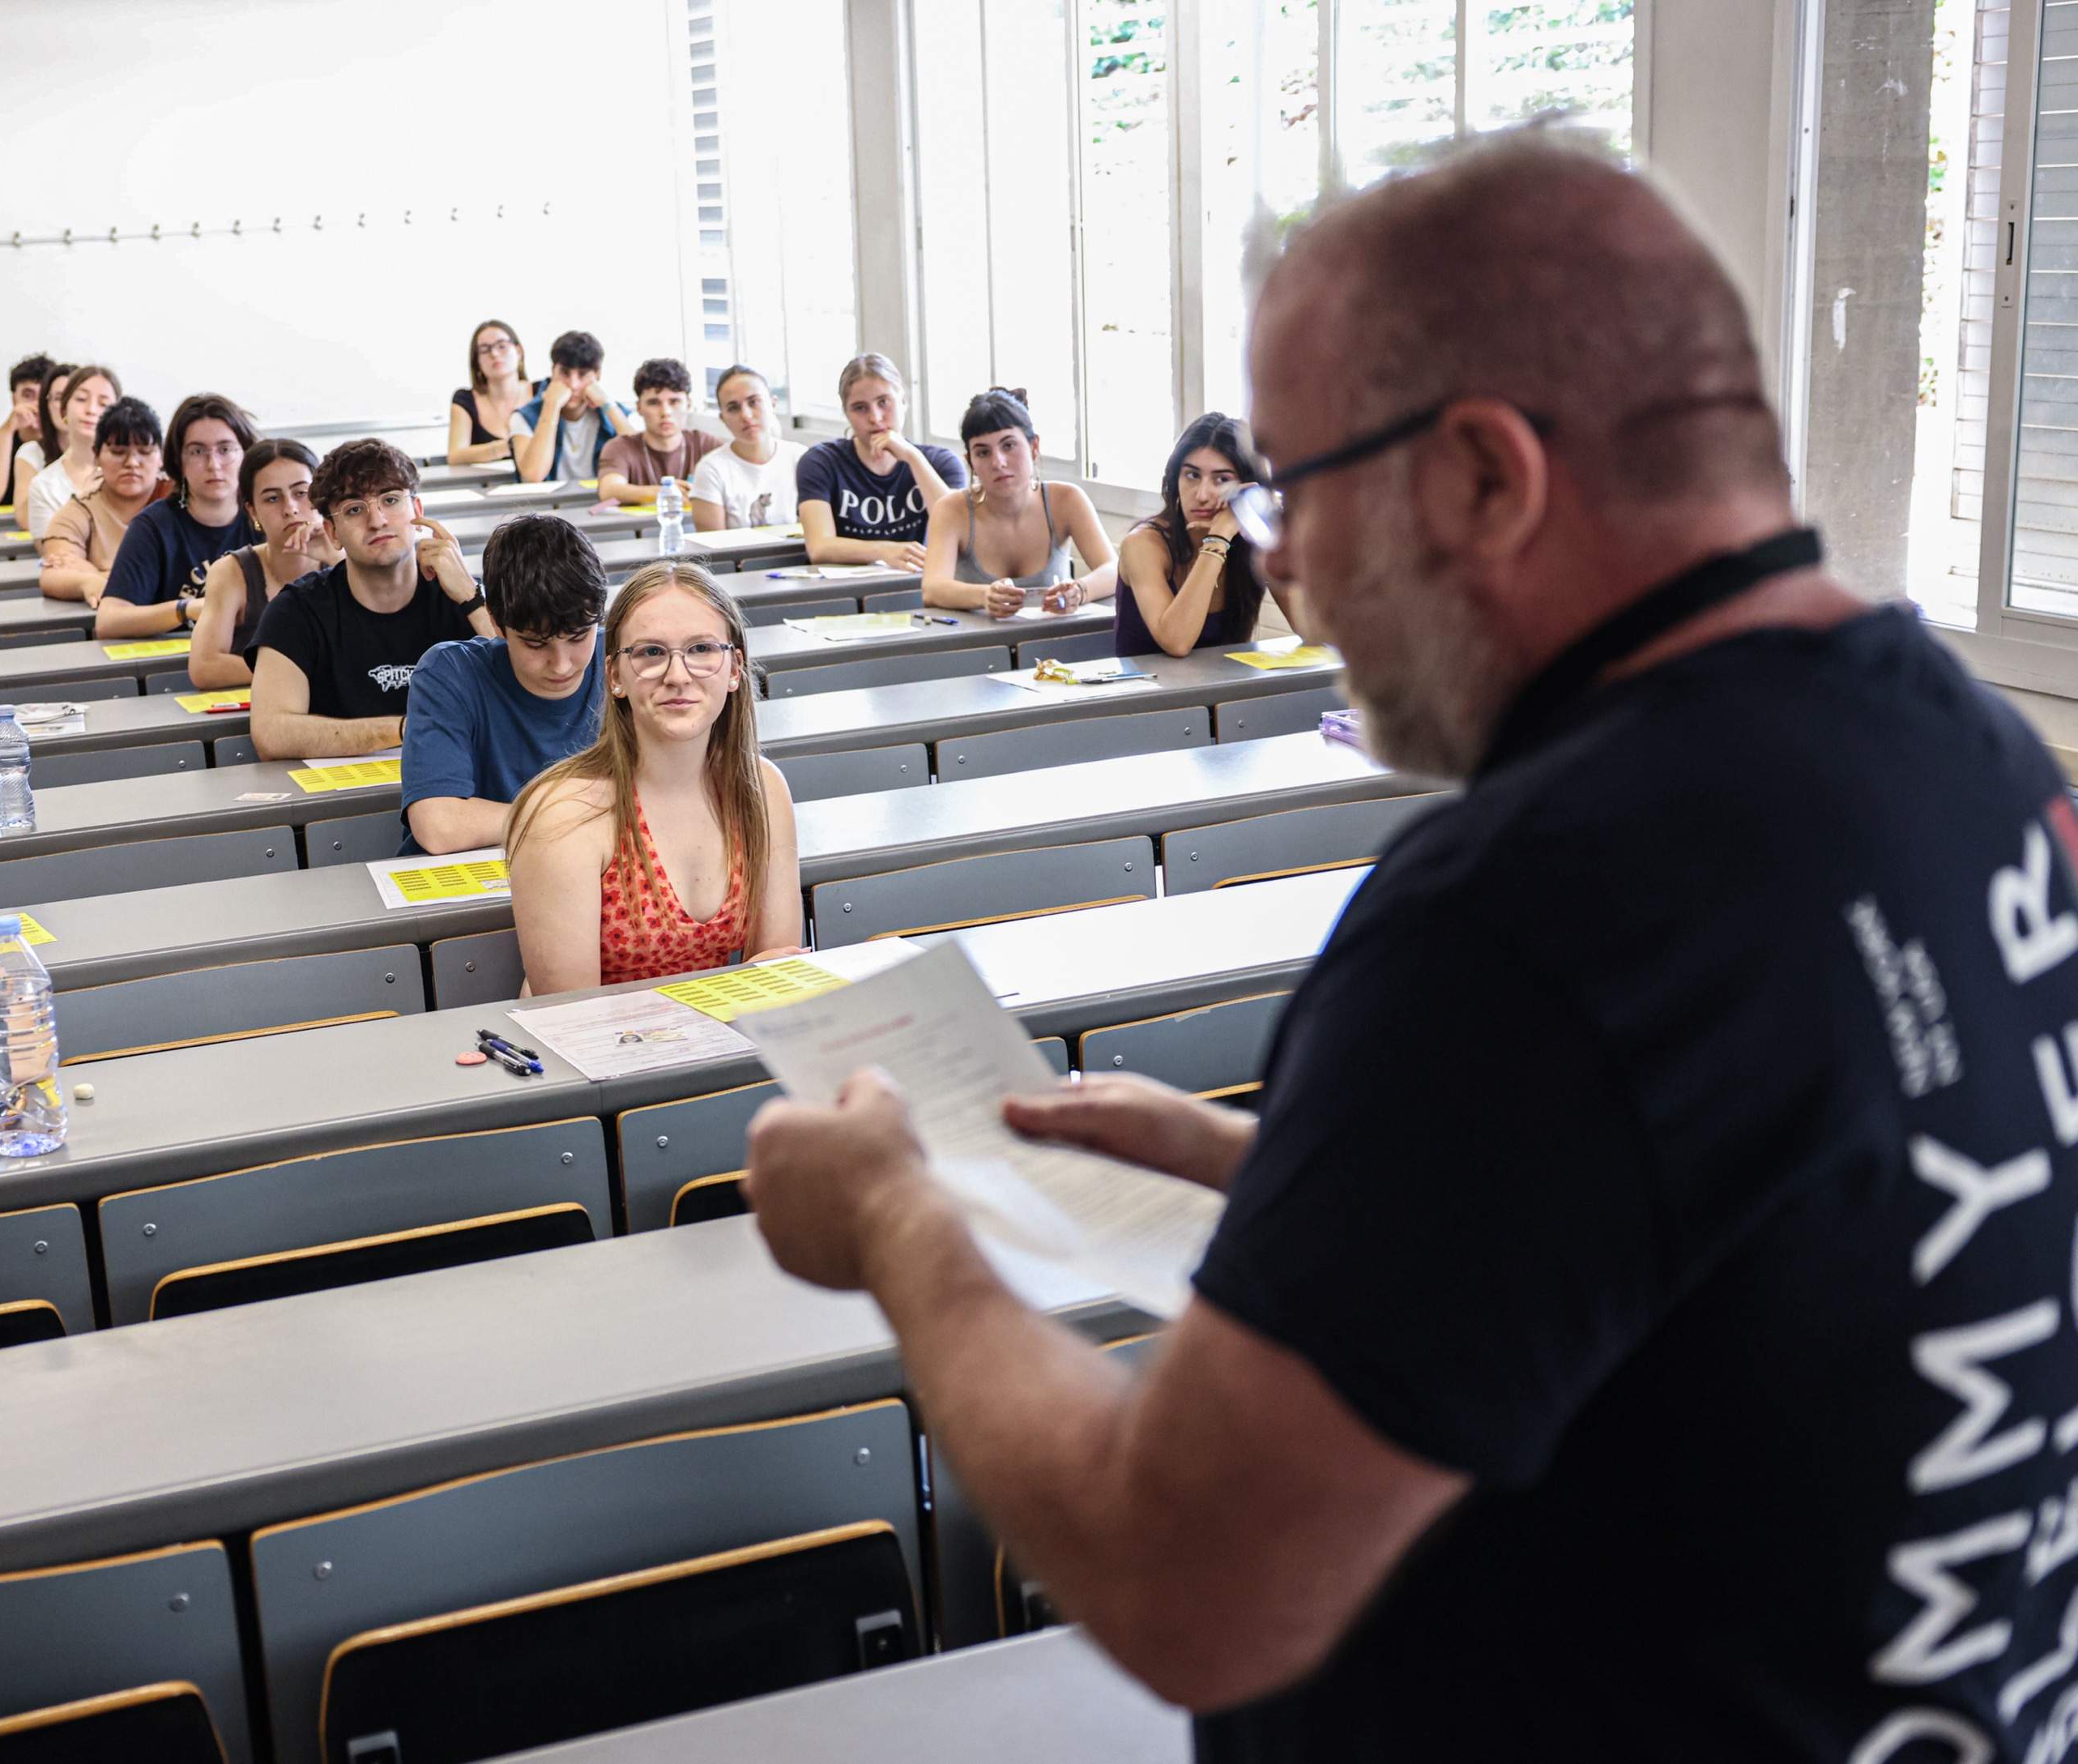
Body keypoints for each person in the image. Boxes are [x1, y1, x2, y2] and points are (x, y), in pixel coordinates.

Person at [740, 133, 2078, 1761]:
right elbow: (1768, 1220)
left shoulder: (1539, 908)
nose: (1277, 551)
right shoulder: (1963, 749)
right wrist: (1278, 1165)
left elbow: (1188, 1578)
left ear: (1482, 474)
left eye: (1301, 475)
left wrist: (896, 1222)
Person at [506, 561, 800, 993]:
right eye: (650, 653)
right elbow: (571, 1020)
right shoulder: (566, 815)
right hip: (604, 1054)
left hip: (723, 1045)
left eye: (701, 649)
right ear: (615, 676)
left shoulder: (762, 788)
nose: (677, 676)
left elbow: (779, 978)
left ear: (735, 669)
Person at [247, 440, 495, 758]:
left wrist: (470, 598)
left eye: (390, 500)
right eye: (354, 510)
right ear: (333, 532)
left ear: (417, 512)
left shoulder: (463, 595)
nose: (377, 520)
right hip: (345, 800)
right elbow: (272, 734)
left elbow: (526, 693)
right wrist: (409, 729)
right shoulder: (296, 609)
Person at [398, 514, 607, 855]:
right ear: (495, 622)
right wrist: (587, 815)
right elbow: (439, 826)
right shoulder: (448, 673)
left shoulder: (624, 660)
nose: (562, 664)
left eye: (579, 637)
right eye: (535, 644)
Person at [920, 388, 1116, 616]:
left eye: (1009, 445)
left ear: (1034, 447)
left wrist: (1080, 590)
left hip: (1054, 642)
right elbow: (932, 589)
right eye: (983, 453)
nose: (998, 462)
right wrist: (984, 596)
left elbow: (1114, 570)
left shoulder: (1067, 500)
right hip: (977, 645)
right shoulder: (951, 509)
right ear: (970, 461)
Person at [1116, 413, 1298, 656]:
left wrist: (1273, 534)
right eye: (1192, 475)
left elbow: (1314, 630)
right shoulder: (1143, 543)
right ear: (1175, 478)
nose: (1202, 494)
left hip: (1228, 692)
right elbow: (1177, 642)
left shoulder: (1253, 542)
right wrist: (1219, 537)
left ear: (1247, 486)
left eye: (1222, 479)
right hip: (1149, 693)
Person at [95, 393, 258, 639]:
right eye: (197, 451)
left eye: (225, 449)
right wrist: (186, 609)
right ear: (178, 461)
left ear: (245, 453)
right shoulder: (154, 527)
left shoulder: (267, 516)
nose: (213, 464)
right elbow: (109, 621)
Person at [189, 439, 345, 691]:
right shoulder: (231, 571)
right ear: (252, 512)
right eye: (273, 498)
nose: (290, 509)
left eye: (301, 493)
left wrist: (338, 559)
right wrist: (302, 673)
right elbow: (205, 667)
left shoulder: (348, 559)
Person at [795, 352, 966, 568]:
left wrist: (913, 458)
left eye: (884, 402)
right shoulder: (821, 462)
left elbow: (961, 534)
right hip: (845, 590)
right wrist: (884, 550)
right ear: (846, 413)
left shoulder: (941, 462)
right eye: (860, 408)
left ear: (903, 401)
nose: (875, 418)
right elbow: (819, 547)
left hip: (919, 583)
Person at [40, 397, 166, 606]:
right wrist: (88, 581)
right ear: (96, 455)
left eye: (144, 452)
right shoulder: (79, 511)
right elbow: (54, 575)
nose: (132, 463)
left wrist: (99, 573)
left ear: (161, 456)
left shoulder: (181, 501)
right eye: (118, 452)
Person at [510, 331, 638, 485]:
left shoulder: (617, 413)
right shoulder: (524, 416)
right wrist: (551, 407)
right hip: (548, 506)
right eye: (564, 373)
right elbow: (533, 475)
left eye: (583, 375)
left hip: (603, 503)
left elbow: (641, 464)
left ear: (597, 375)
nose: (573, 384)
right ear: (553, 371)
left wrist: (607, 404)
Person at [689, 365, 807, 532]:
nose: (746, 415)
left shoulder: (801, 458)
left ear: (773, 404)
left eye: (754, 402)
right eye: (733, 408)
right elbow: (714, 551)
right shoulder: (711, 469)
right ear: (723, 418)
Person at [595, 358, 723, 506]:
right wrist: (666, 492)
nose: (665, 412)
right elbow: (609, 491)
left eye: (674, 402)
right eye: (654, 403)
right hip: (638, 529)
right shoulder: (619, 447)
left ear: (688, 404)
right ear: (639, 408)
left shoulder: (707, 444)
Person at [20, 365, 122, 539]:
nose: (91, 410)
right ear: (64, 410)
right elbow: (58, 556)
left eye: (103, 403)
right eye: (82, 399)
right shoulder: (44, 486)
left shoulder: (135, 474)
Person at [0, 352, 57, 507]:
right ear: (14, 399)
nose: (36, 405)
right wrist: (7, 430)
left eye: (44, 396)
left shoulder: (67, 442)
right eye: (28, 395)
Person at [449, 319, 533, 469]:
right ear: (477, 362)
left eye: (502, 346)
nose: (494, 354)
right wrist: (505, 447)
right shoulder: (465, 400)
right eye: (485, 350)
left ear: (518, 352)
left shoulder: (542, 391)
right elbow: (455, 456)